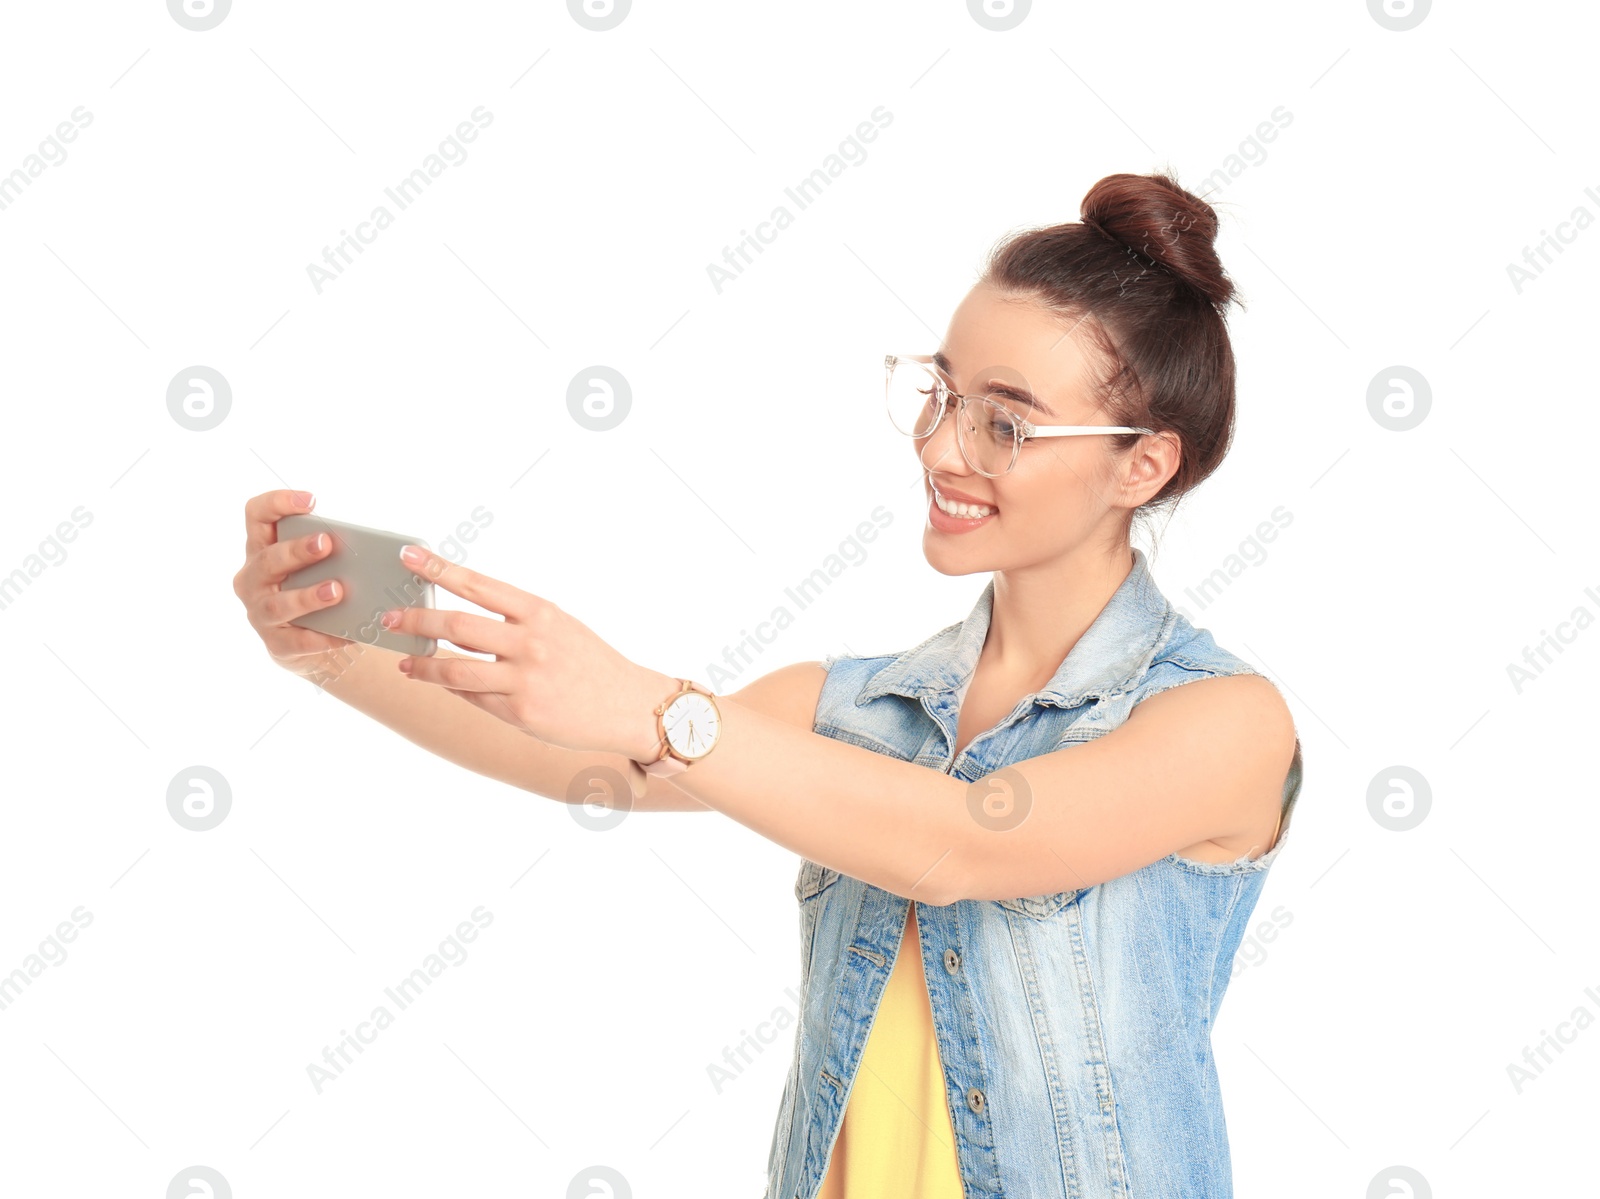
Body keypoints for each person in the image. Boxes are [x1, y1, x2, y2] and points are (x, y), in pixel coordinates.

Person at [233, 168, 1303, 1199]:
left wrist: (659, 709)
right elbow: (580, 756)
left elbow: (965, 841)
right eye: (943, 393)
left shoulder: (1222, 724)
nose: (942, 447)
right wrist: (320, 648)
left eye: (1006, 422)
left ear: (1142, 466)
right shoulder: (856, 706)